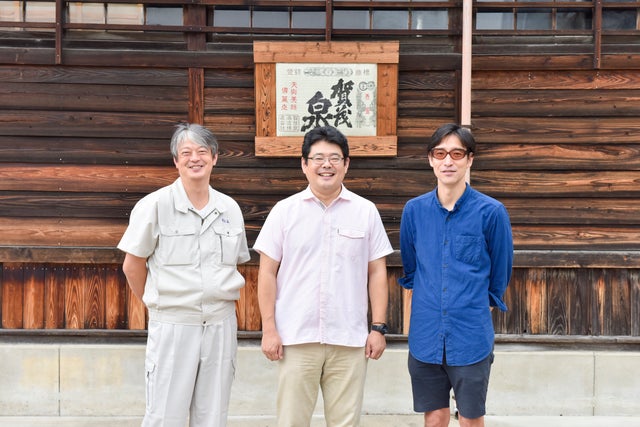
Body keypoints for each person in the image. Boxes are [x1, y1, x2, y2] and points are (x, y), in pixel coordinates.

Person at [253, 125, 393, 427]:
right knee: (292, 421)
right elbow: (266, 272)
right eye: (317, 158)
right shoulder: (284, 211)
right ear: (304, 164)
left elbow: (377, 271)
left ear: (346, 164)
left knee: (345, 422)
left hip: (349, 338)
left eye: (334, 157)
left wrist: (378, 327)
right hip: (296, 336)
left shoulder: (365, 211)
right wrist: (269, 329)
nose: (326, 165)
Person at [118, 123, 250, 427]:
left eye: (202, 151)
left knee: (213, 415)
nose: (195, 158)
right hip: (174, 325)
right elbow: (132, 265)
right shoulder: (154, 205)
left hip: (220, 323)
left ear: (215, 157)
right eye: (186, 153)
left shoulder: (229, 208)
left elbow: (234, 264)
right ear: (176, 161)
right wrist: (157, 304)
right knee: (166, 415)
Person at [398, 123, 513, 427]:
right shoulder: (414, 211)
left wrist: (475, 308)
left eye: (456, 153)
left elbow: (499, 275)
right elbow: (410, 270)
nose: (448, 161)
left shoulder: (491, 212)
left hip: (470, 335)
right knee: (434, 419)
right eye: (440, 153)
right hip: (426, 335)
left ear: (469, 159)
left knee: (471, 418)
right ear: (430, 160)